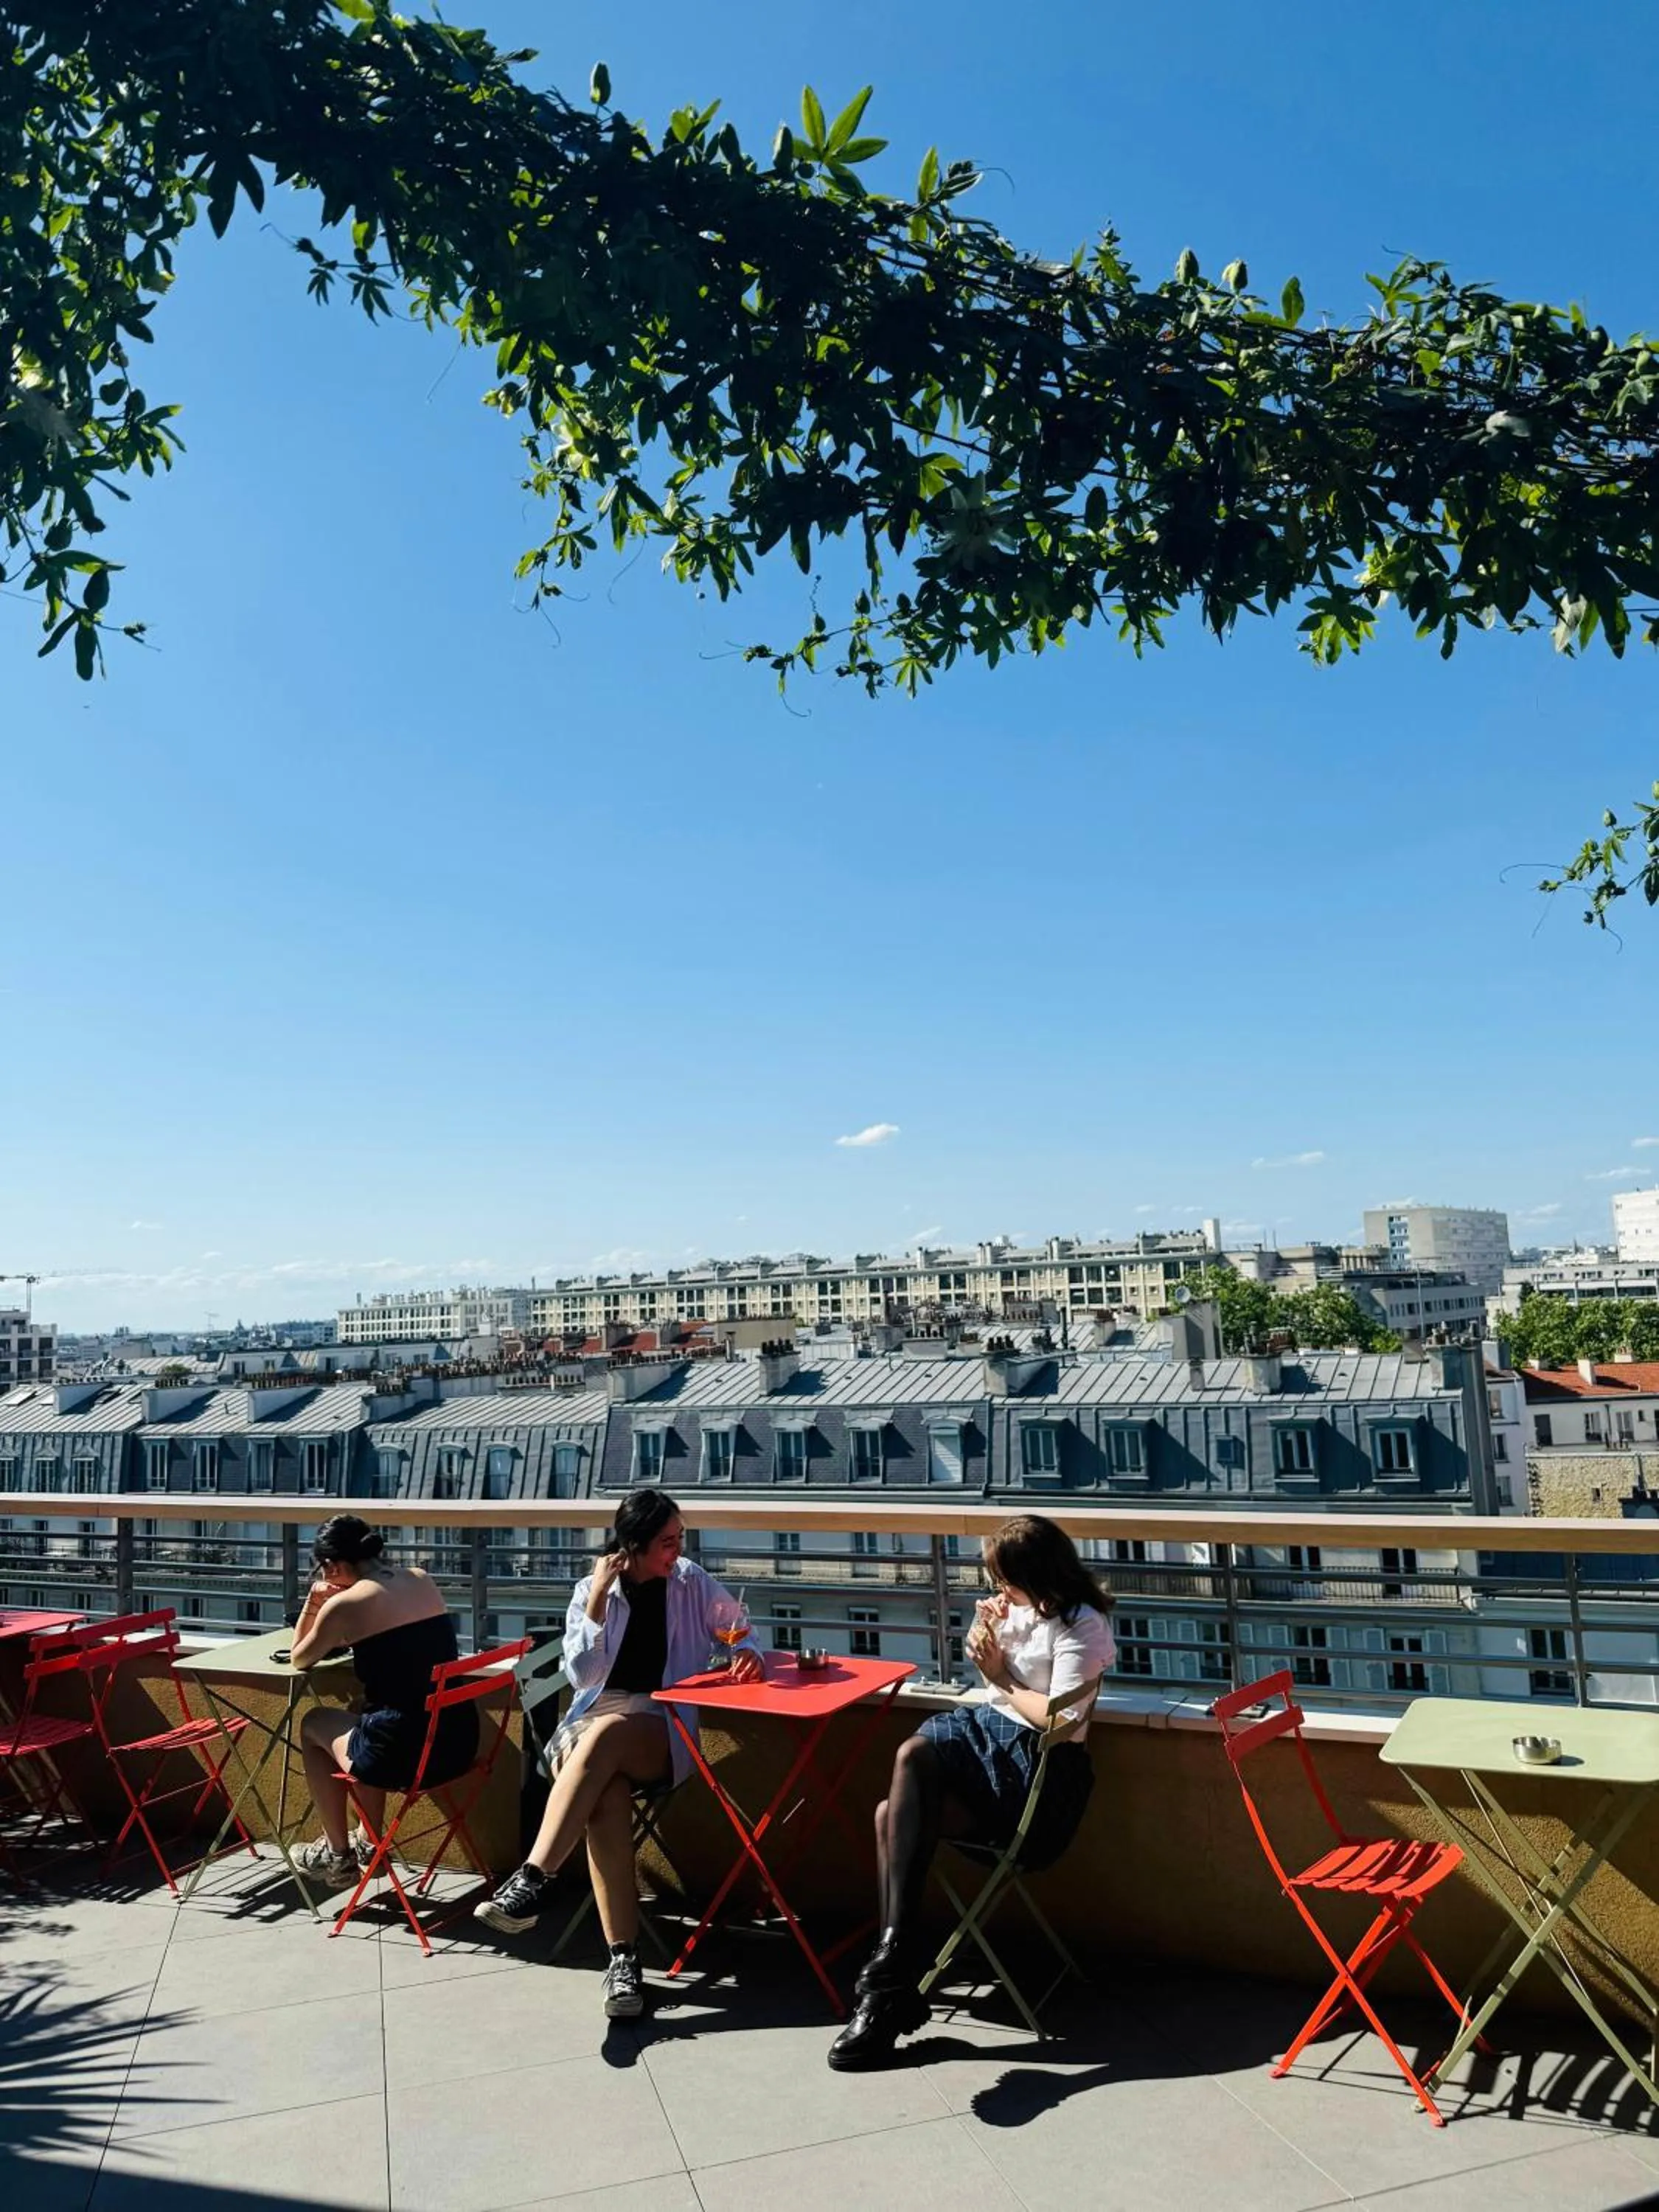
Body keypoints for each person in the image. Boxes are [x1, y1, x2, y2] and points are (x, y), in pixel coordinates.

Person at [827, 1513, 1115, 2070]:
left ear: (1036, 1574)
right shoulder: (1016, 1609)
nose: (998, 1588)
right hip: (989, 1743)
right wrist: (985, 1647)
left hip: (1038, 1779)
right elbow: (994, 1687)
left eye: (1005, 1578)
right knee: (907, 1771)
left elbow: (1059, 1724)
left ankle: (890, 1978)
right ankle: (892, 1974)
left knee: (893, 1808)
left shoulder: (1084, 1624)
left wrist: (999, 1673)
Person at [474, 1487, 763, 2020]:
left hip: (657, 1726)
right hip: (587, 1726)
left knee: (607, 1739)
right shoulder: (592, 1589)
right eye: (667, 1542)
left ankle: (533, 1878)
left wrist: (745, 1652)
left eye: (679, 1539)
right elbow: (584, 1677)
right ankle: (623, 1963)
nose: (677, 1550)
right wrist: (597, 1602)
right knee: (605, 1794)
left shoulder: (690, 1582)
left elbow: (741, 1631)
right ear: (634, 1545)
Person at [289, 1514, 477, 1886]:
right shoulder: (421, 1578)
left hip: (405, 1754)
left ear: (332, 1565)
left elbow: (300, 1657)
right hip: (458, 1741)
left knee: (314, 1724)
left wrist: (315, 1601)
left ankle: (338, 1855)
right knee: (360, 1715)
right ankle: (369, 1844)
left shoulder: (345, 1605)